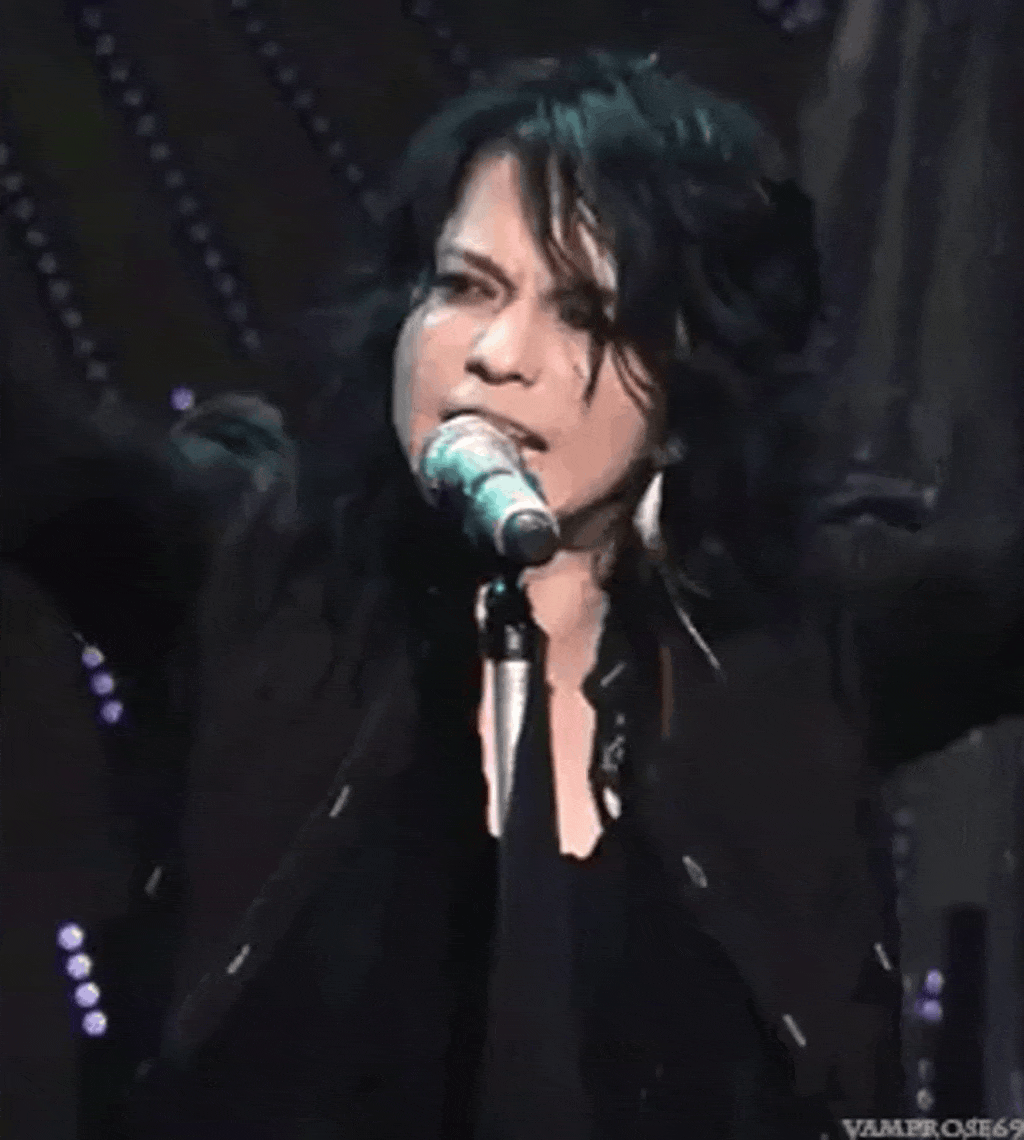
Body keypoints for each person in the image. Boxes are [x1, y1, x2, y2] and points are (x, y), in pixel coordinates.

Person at [4, 50, 1023, 1140]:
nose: (496, 355)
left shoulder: (805, 639)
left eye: (585, 312)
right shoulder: (244, 570)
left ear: (691, 391)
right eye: (464, 287)